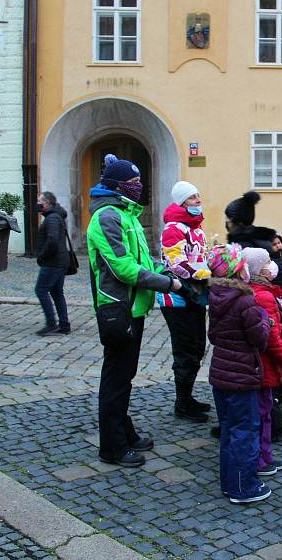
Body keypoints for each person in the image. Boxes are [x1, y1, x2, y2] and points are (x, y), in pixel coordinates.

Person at [87, 154, 186, 468]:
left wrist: (168, 271)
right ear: (117, 186)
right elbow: (124, 269)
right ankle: (112, 447)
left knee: (124, 376)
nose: (139, 187)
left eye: (139, 181)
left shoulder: (126, 214)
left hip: (134, 308)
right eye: (133, 183)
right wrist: (167, 286)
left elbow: (142, 261)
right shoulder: (107, 217)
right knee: (115, 378)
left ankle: (124, 432)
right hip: (118, 308)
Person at [206, 244, 271, 504]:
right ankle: (244, 488)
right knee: (245, 431)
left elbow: (213, 335)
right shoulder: (246, 301)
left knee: (229, 430)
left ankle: (229, 482)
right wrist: (265, 319)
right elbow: (260, 338)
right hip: (242, 376)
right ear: (238, 270)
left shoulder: (216, 298)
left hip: (220, 374)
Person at [158, 181, 212, 423]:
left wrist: (213, 262)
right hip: (177, 298)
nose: (198, 200)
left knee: (198, 346)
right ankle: (182, 402)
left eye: (198, 196)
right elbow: (174, 263)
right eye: (192, 198)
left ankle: (188, 397)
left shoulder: (197, 229)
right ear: (181, 202)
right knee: (185, 348)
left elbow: (202, 254)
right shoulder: (173, 228)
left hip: (196, 295)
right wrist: (199, 273)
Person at [242, 247, 282, 477]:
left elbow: (273, 326)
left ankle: (265, 455)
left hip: (257, 363)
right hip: (264, 364)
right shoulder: (262, 295)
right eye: (268, 261)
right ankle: (260, 458)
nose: (272, 265)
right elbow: (271, 336)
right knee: (262, 413)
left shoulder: (255, 291)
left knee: (264, 410)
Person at [34, 191, 71, 336]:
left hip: (53, 262)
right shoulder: (54, 216)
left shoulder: (53, 218)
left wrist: (42, 256)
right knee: (56, 292)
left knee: (41, 290)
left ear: (47, 203)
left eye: (40, 202)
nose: (38, 204)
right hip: (59, 261)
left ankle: (51, 324)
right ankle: (64, 324)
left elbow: (53, 241)